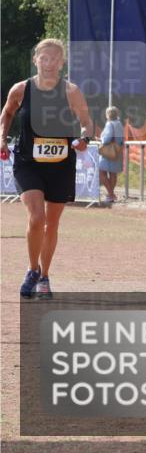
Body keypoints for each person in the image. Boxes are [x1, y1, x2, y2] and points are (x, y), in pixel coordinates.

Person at [0, 38, 94, 299]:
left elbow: (87, 122)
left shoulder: (71, 91)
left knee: (51, 224)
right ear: (35, 60)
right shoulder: (21, 89)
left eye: (55, 59)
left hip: (60, 164)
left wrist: (85, 139)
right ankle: (32, 270)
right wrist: (2, 138)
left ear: (62, 63)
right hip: (28, 162)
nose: (49, 63)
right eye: (44, 58)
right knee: (36, 217)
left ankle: (45, 276)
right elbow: (7, 114)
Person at [98, 106, 125, 203]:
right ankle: (110, 195)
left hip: (108, 151)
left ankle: (111, 194)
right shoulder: (119, 124)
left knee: (101, 173)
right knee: (113, 174)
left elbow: (106, 139)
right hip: (117, 150)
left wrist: (101, 139)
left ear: (107, 115)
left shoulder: (109, 124)